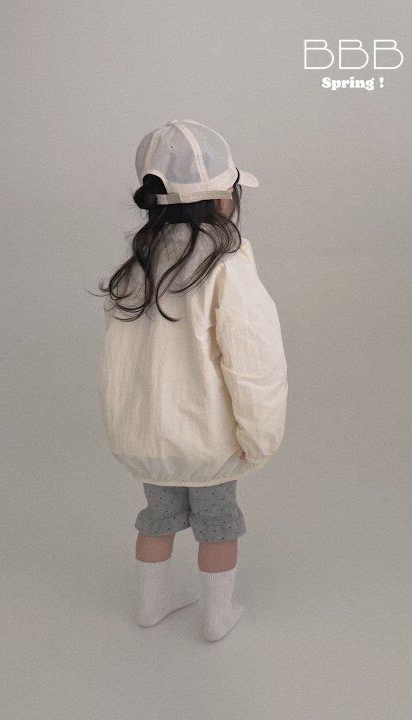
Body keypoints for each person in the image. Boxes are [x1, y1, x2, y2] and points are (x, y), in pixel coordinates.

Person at [96, 119, 288, 641]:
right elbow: (254, 360)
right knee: (218, 523)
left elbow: (119, 363)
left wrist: (125, 428)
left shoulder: (136, 265)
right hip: (207, 438)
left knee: (156, 517)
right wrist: (259, 434)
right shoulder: (225, 264)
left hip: (148, 437)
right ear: (224, 197)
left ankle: (150, 605)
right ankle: (216, 615)